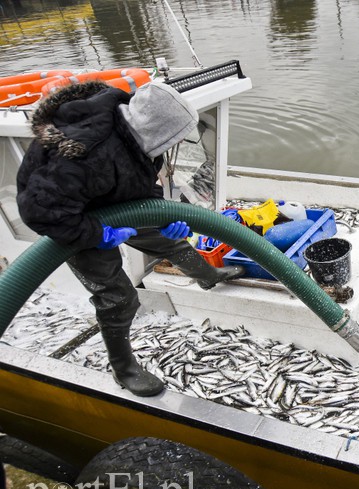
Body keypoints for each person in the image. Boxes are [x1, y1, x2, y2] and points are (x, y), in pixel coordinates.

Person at [16, 80, 244, 397]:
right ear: (156, 130)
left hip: (104, 197)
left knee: (168, 240)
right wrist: (99, 234)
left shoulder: (135, 134)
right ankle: (123, 369)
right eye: (172, 138)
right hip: (69, 219)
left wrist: (165, 218)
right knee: (118, 298)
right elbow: (40, 211)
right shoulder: (87, 154)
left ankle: (206, 275)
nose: (173, 146)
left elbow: (138, 179)